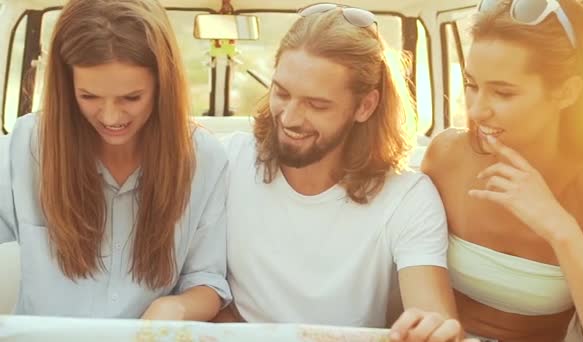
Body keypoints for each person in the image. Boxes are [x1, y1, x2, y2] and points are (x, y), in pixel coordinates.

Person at [217, 4, 474, 341]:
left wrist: (434, 330)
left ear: (365, 106)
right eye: (281, 93)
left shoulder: (407, 197)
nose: (290, 118)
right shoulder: (227, 160)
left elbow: (431, 313)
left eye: (317, 104)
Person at [0, 0, 231, 320]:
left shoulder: (203, 158)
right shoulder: (25, 145)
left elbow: (206, 280)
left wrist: (176, 307)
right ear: (67, 88)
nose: (111, 117)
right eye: (89, 96)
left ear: (161, 86)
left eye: (131, 98)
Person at [401, 0, 583, 341]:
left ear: (567, 92)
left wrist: (559, 228)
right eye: (471, 85)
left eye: (503, 92)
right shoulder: (446, 156)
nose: (478, 109)